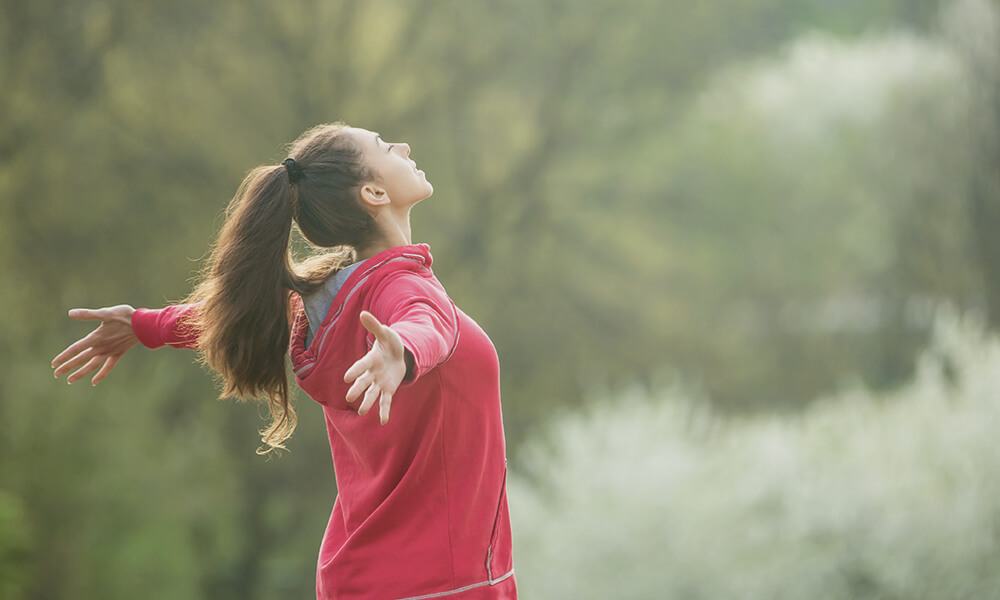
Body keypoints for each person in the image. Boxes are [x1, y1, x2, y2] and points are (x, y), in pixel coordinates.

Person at [50, 123, 517, 600]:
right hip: (442, 581)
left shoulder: (331, 300)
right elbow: (424, 321)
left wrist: (145, 325)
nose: (404, 146)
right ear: (374, 192)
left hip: (362, 579)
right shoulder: (402, 288)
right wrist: (404, 350)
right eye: (383, 146)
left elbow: (241, 315)